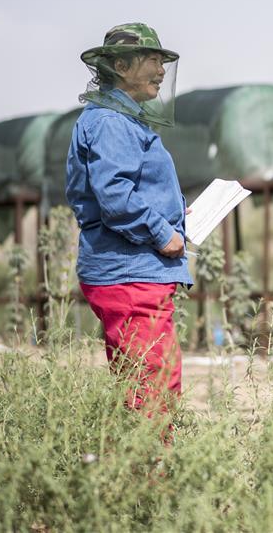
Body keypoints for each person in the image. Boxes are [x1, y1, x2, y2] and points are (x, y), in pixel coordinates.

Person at [67, 23, 191, 418]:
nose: (161, 70)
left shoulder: (120, 119)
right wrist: (162, 232)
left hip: (133, 272)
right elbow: (116, 196)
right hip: (129, 274)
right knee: (151, 388)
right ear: (121, 66)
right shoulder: (111, 122)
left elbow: (122, 190)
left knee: (147, 382)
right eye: (152, 60)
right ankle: (146, 459)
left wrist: (172, 213)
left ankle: (139, 456)